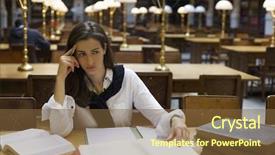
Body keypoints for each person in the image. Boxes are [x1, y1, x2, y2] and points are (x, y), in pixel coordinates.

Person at [42, 21, 189, 140]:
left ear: (104, 49)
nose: (90, 61)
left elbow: (158, 116)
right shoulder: (70, 83)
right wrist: (60, 79)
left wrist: (175, 120)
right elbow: (59, 131)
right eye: (82, 54)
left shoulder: (126, 78)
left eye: (95, 52)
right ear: (73, 55)